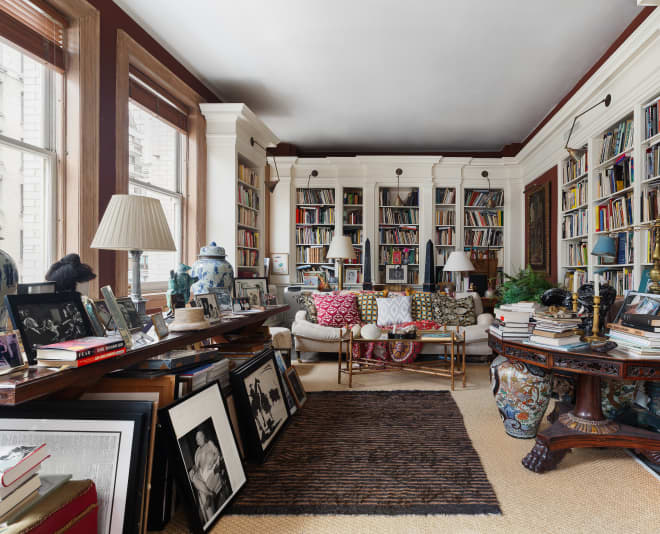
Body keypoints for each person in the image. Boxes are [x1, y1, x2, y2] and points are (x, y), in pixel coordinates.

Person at [189, 430, 224, 523]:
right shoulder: (197, 452)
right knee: (192, 475)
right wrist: (193, 470)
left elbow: (218, 453)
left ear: (204, 436)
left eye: (200, 437)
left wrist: (214, 462)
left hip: (211, 470)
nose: (198, 440)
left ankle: (211, 521)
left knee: (201, 493)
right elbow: (197, 466)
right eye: (197, 439)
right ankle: (209, 493)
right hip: (203, 474)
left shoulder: (209, 444)